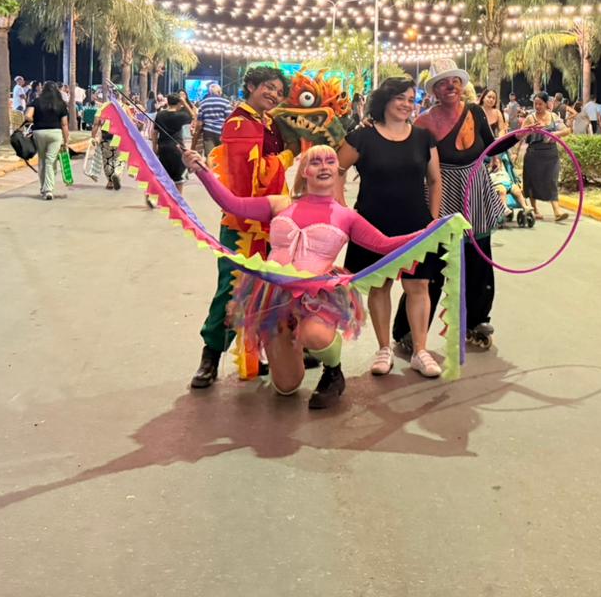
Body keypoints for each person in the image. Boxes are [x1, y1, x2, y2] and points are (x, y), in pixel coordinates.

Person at [185, 145, 423, 407]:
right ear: (304, 172)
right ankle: (294, 346)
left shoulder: (346, 216)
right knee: (286, 387)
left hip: (316, 298)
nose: (323, 166)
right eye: (315, 162)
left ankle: (333, 371)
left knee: (314, 335)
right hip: (274, 297)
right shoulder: (280, 204)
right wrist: (202, 171)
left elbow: (385, 245)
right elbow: (233, 204)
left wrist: (432, 230)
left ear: (338, 170)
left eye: (329, 161)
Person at [191, 66, 291, 390]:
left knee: (267, 290)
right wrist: (286, 158)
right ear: (250, 86)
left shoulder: (269, 122)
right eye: (268, 87)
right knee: (232, 290)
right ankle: (210, 356)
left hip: (272, 222)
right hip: (242, 223)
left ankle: (259, 354)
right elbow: (249, 176)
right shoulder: (239, 123)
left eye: (279, 91)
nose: (274, 95)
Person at [337, 77, 444, 378]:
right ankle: (384, 349)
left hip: (416, 224)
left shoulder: (424, 138)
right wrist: (342, 212)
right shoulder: (362, 137)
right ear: (384, 100)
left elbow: (435, 180)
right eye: (400, 98)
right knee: (379, 285)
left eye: (411, 99)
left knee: (418, 286)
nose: (406, 104)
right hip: (371, 226)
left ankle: (420, 351)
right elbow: (336, 170)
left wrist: (432, 220)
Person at [413, 58, 513, 351]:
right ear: (434, 90)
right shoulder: (424, 122)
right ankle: (411, 330)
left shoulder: (475, 112)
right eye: (443, 83)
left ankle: (477, 321)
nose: (451, 87)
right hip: (441, 194)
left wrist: (522, 134)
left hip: (476, 193)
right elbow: (414, 162)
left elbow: (491, 146)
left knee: (479, 261)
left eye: (455, 81)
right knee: (433, 264)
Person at [521, 91, 570, 221]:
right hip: (534, 154)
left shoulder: (553, 117)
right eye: (535, 104)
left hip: (551, 155)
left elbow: (567, 130)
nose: (537, 106)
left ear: (546, 104)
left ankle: (557, 211)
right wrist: (528, 131)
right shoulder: (530, 118)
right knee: (532, 181)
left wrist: (555, 134)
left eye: (540, 104)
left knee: (552, 181)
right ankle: (535, 209)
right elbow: (519, 135)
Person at [25, 82, 70, 199]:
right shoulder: (61, 104)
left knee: (42, 160)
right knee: (51, 161)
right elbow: (64, 124)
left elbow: (28, 116)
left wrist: (34, 120)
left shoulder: (36, 101)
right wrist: (66, 140)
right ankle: (48, 190)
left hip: (39, 132)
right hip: (55, 133)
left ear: (43, 90)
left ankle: (43, 188)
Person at [150, 93, 193, 204]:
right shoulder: (181, 116)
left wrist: (154, 147)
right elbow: (193, 115)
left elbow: (154, 133)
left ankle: (154, 197)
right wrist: (185, 102)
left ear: (168, 102)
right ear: (179, 103)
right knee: (179, 178)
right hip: (177, 149)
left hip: (163, 148)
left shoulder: (160, 115)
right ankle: (177, 201)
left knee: (162, 175)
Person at [193, 83, 233, 158]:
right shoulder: (226, 102)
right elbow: (230, 120)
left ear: (209, 92)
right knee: (222, 157)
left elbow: (199, 123)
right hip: (222, 133)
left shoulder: (203, 103)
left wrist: (196, 133)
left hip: (208, 133)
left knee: (210, 156)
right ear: (219, 92)